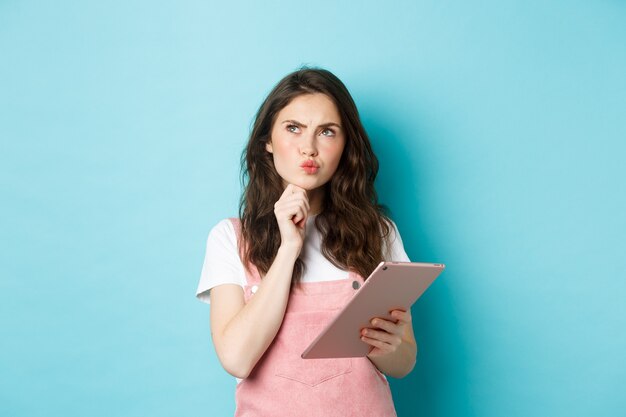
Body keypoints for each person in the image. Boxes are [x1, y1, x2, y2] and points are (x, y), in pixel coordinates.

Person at [196, 67, 415, 416]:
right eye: (293, 128)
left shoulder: (378, 231)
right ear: (267, 140)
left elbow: (404, 362)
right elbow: (237, 359)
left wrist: (386, 346)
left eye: (327, 132)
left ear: (345, 146)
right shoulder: (230, 238)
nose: (309, 148)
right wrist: (289, 249)